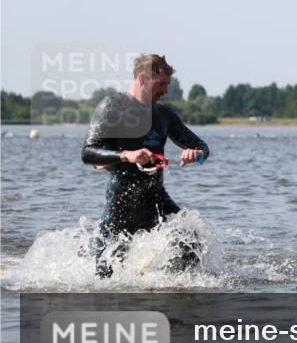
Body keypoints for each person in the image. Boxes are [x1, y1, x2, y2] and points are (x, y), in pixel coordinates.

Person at [82, 54, 209, 278]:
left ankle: (175, 292)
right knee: (105, 276)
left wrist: (196, 154)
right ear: (143, 79)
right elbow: (88, 153)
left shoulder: (164, 115)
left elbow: (202, 148)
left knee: (192, 242)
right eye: (161, 84)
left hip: (156, 199)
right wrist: (127, 155)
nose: (166, 90)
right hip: (122, 203)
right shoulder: (113, 106)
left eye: (167, 85)